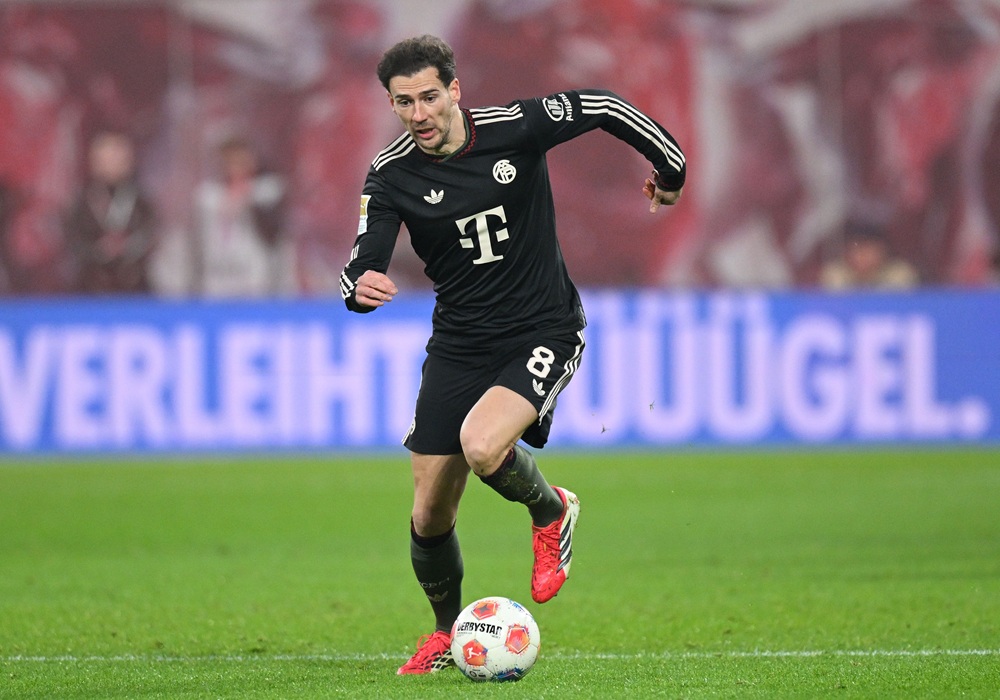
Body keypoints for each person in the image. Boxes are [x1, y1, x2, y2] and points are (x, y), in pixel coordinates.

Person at [339, 35, 685, 675]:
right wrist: (359, 287)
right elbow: (362, 260)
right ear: (391, 104)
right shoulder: (390, 176)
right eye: (403, 102)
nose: (419, 113)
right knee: (428, 509)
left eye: (429, 97)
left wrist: (672, 170)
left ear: (456, 91)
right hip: (459, 343)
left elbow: (605, 106)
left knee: (482, 445)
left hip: (543, 326)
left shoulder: (515, 128)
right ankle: (445, 634)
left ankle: (551, 508)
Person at [190, 136, 293, 297]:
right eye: (232, 161)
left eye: (242, 160)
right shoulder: (210, 194)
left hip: (252, 271)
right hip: (218, 269)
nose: (238, 167)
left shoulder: (265, 190)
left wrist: (243, 195)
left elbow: (272, 190)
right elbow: (209, 201)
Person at [64, 130, 158, 294]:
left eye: (117, 155)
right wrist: (100, 251)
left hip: (134, 287)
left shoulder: (142, 203)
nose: (111, 161)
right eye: (105, 156)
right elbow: (73, 239)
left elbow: (150, 235)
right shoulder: (81, 202)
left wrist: (127, 249)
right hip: (90, 288)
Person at [819, 216, 919, 290]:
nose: (861, 255)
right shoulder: (836, 273)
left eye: (867, 248)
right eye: (856, 248)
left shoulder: (900, 273)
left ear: (882, 250)